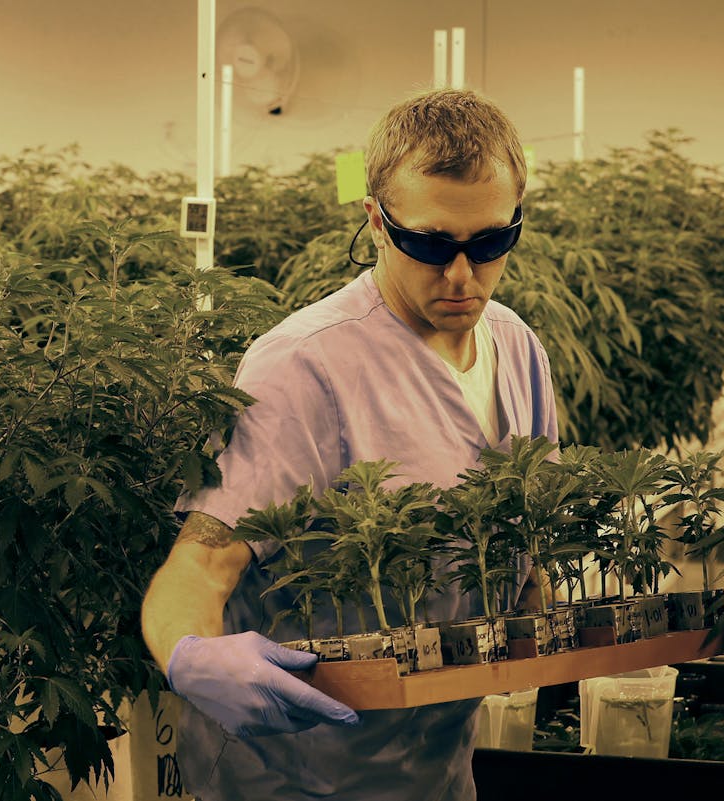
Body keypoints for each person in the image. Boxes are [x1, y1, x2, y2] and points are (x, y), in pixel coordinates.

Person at [140, 88, 559, 800]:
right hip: (295, 779)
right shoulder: (305, 366)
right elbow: (201, 563)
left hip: (439, 773)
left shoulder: (518, 349)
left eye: (490, 243)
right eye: (429, 244)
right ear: (376, 220)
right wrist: (190, 654)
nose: (462, 275)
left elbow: (525, 556)